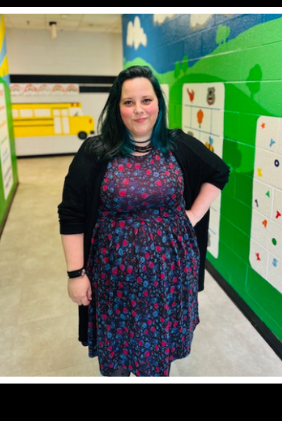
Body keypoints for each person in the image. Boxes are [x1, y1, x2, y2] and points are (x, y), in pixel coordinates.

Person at [57, 65, 230, 377]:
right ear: (117, 107)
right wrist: (75, 274)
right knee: (119, 349)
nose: (139, 110)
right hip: (113, 279)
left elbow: (219, 173)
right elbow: (72, 214)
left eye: (146, 100)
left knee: (158, 347)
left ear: (159, 104)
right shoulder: (95, 152)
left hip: (171, 275)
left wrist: (191, 216)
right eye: (128, 102)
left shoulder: (177, 145)